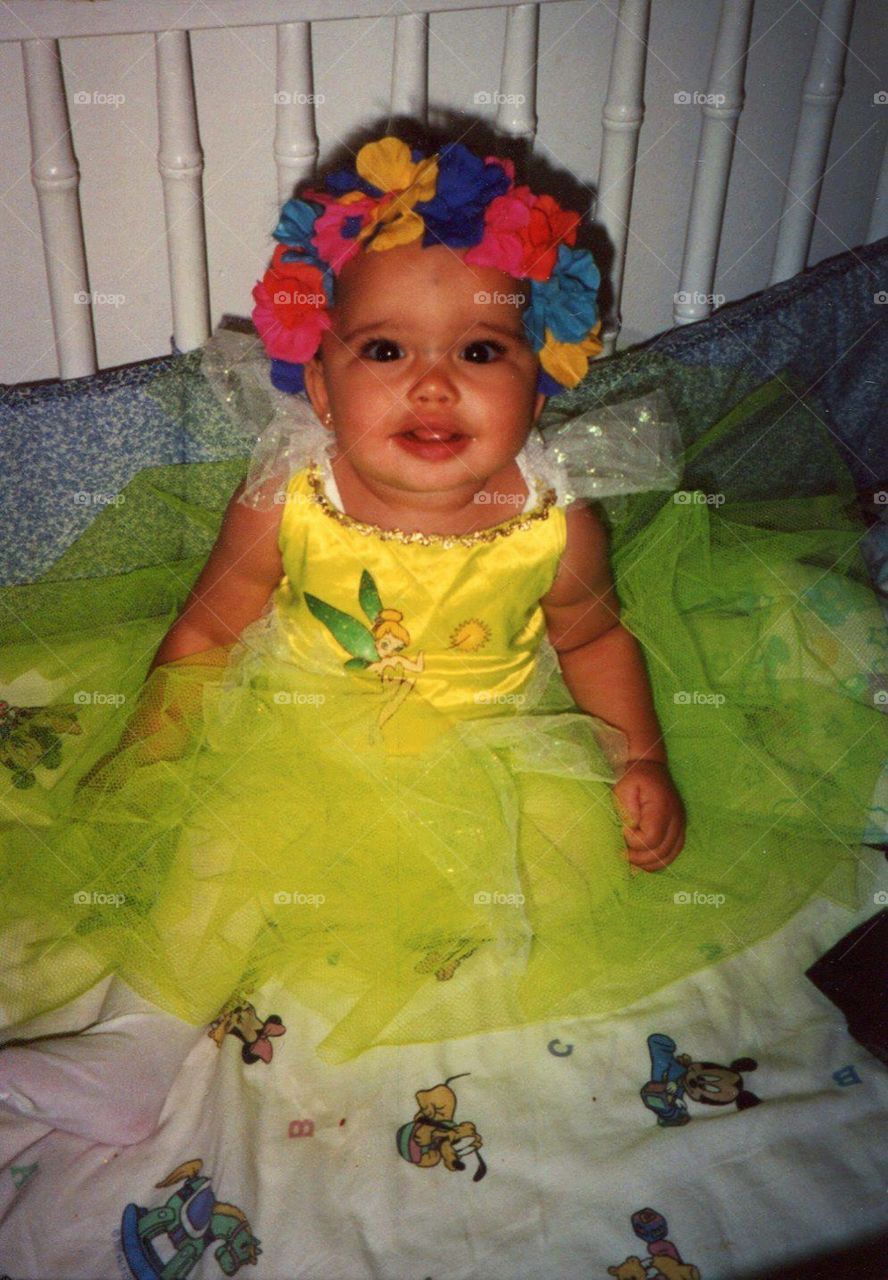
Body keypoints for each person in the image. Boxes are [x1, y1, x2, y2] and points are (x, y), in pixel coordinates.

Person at [0, 130, 876, 1148]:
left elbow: (595, 640)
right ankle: (136, 1043)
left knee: (572, 854)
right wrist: (159, 730)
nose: (430, 382)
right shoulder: (291, 494)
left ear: (539, 382)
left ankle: (409, 933)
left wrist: (639, 755)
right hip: (302, 729)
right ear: (319, 386)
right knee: (216, 843)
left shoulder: (552, 519)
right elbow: (206, 622)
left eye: (479, 350)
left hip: (493, 739)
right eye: (384, 348)